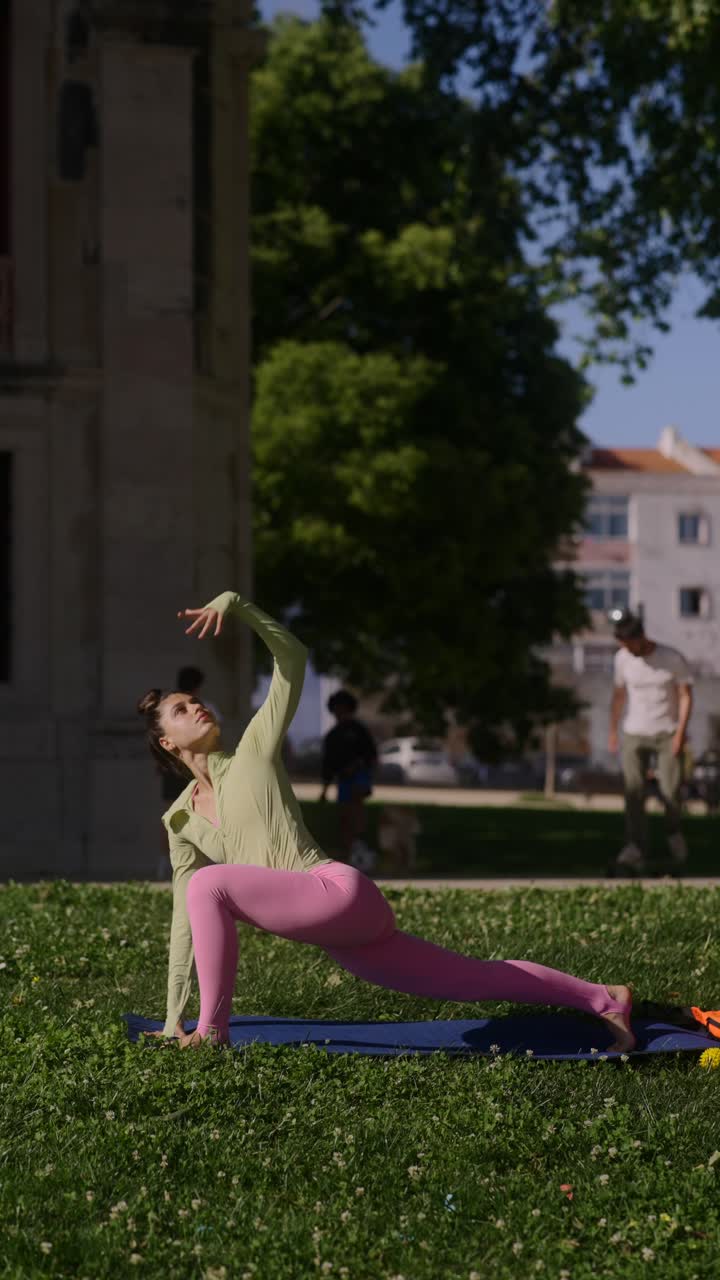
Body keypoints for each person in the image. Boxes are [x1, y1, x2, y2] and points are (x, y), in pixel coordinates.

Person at [137, 589, 635, 1053]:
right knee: (471, 979)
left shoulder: (252, 751)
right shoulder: (179, 817)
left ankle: (213, 1034)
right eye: (182, 709)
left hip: (334, 891)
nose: (197, 706)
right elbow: (186, 919)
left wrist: (239, 606)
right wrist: (170, 1016)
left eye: (196, 700)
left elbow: (292, 658)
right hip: (344, 936)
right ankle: (605, 999)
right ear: (168, 742)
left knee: (209, 884)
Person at [607, 609, 694, 876]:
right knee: (633, 792)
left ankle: (673, 833)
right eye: (622, 644)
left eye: (629, 643)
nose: (626, 649)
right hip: (634, 732)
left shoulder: (671, 658)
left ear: (641, 637)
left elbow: (685, 696)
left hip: (667, 733)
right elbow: (619, 695)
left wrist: (680, 733)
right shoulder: (622, 659)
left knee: (670, 792)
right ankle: (635, 847)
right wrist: (613, 730)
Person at [320, 690, 378, 866]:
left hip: (359, 776)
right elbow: (329, 766)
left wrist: (363, 769)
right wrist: (324, 790)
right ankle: (348, 849)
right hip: (343, 779)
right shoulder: (332, 736)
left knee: (356, 806)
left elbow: (370, 755)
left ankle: (359, 842)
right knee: (345, 814)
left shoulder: (359, 730)